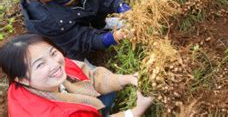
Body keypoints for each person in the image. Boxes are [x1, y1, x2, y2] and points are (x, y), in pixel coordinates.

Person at [0, 34, 153, 116]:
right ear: (21, 79)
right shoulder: (57, 114)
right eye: (40, 64)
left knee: (108, 94)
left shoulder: (37, 75)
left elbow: (90, 76)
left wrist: (127, 78)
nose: (55, 64)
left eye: (53, 53)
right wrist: (136, 111)